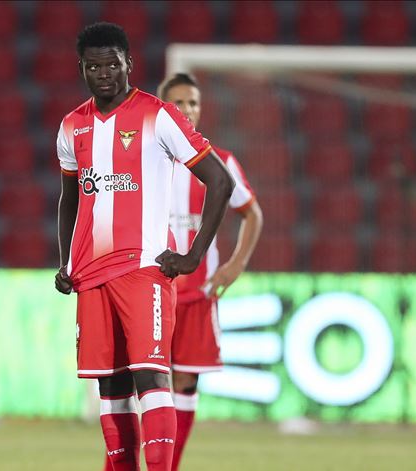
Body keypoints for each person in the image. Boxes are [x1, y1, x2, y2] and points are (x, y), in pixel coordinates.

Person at [55, 23, 234, 471]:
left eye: (111, 64)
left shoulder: (160, 116)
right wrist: (66, 263)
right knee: (111, 389)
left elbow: (220, 180)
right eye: (92, 66)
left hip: (143, 271)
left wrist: (193, 255)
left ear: (128, 64)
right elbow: (70, 198)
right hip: (92, 277)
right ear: (81, 69)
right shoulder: (71, 126)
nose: (102, 73)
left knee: (151, 377)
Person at [159, 73, 264, 471]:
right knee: (140, 386)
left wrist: (236, 263)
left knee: (185, 382)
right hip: (151, 292)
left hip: (197, 294)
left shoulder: (219, 160)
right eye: (179, 103)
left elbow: (252, 213)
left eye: (194, 103)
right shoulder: (145, 160)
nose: (188, 110)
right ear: (164, 108)